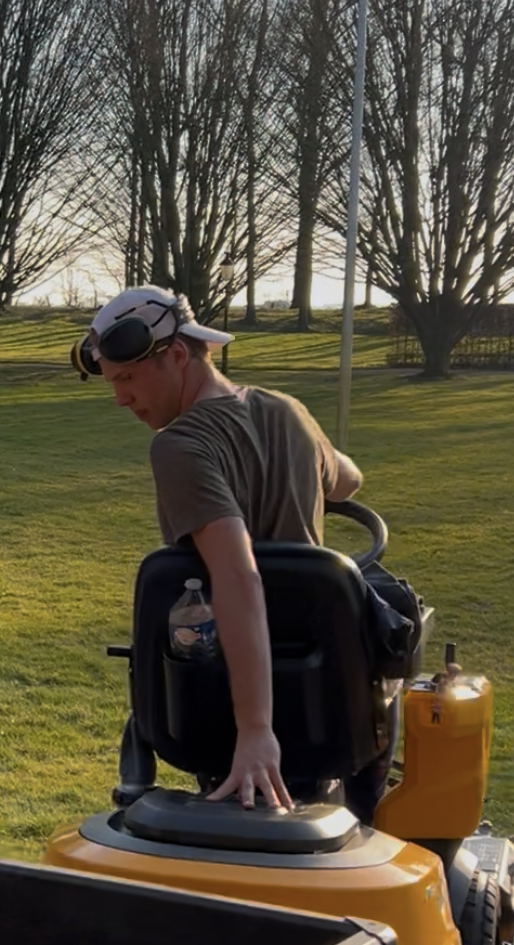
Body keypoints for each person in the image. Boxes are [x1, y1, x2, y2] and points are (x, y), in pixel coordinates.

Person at [73, 286, 371, 814]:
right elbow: (348, 481)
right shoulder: (289, 411)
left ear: (178, 355)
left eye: (127, 379)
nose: (120, 398)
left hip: (225, 705)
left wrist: (255, 730)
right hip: (323, 697)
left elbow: (239, 575)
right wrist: (305, 454)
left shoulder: (180, 446)